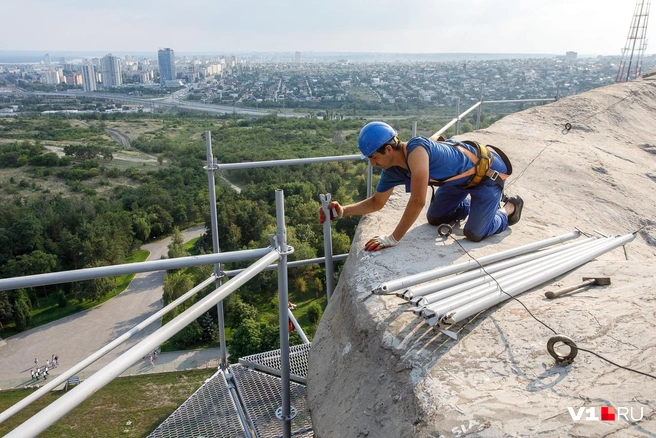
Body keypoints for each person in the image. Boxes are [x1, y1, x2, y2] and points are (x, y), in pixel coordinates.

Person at [319, 121, 523, 250]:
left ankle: (508, 209)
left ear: (388, 149)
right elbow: (376, 202)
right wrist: (342, 211)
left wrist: (393, 238)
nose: (372, 164)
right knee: (435, 218)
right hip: (456, 182)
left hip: (486, 176)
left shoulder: (417, 150)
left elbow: (417, 201)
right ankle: (472, 205)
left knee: (475, 233)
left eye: (373, 158)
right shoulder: (392, 170)